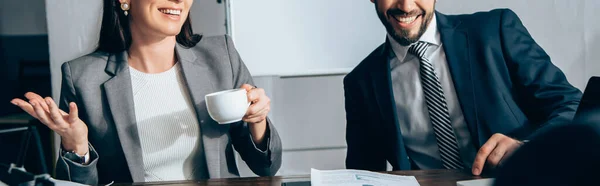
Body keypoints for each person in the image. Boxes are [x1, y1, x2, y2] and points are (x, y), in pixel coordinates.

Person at [10, 0, 282, 184]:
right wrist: (77, 146)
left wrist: (257, 121)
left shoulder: (221, 56)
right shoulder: (83, 77)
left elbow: (267, 167)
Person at [343, 0, 582, 176]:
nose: (406, 6)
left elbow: (570, 105)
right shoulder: (361, 83)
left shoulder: (496, 30)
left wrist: (526, 148)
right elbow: (363, 175)